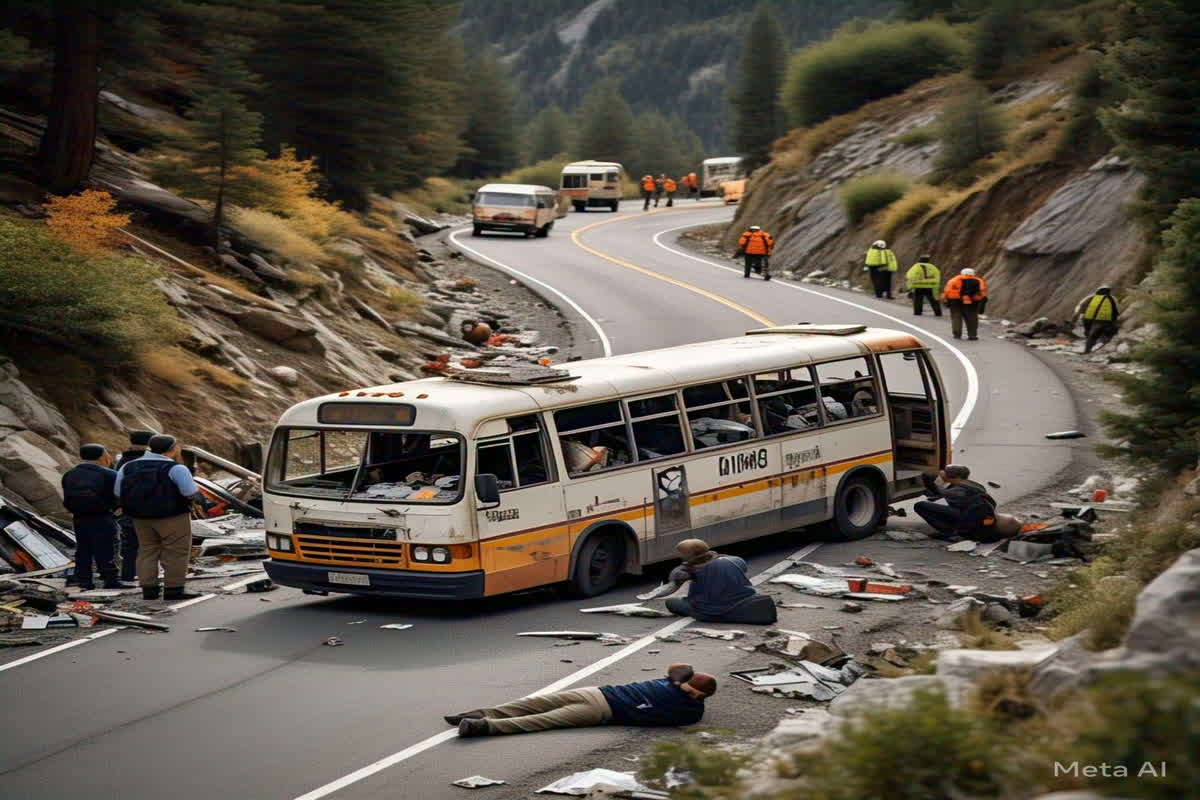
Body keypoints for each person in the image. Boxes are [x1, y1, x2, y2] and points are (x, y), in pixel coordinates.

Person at [448, 662, 716, 737]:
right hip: (598, 696)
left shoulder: (689, 709)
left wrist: (683, 687)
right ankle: (478, 715)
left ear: (701, 697)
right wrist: (682, 683)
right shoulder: (679, 680)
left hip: (600, 706)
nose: (685, 691)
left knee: (541, 718)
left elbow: (663, 720)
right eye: (686, 686)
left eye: (692, 692)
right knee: (533, 705)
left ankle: (482, 725)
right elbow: (678, 667)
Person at [115, 434, 202, 600]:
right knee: (176, 552)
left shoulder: (128, 467)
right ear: (173, 448)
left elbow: (118, 493)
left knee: (147, 551)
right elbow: (189, 492)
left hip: (140, 518)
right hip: (173, 517)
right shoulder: (177, 468)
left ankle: (149, 590)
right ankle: (174, 589)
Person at [646, 538, 777, 623]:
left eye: (682, 554)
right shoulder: (735, 560)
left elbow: (671, 587)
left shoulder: (686, 571)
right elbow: (742, 568)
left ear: (688, 555)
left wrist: (653, 595)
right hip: (744, 601)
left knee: (672, 603)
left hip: (709, 609)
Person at [61, 444, 127, 590]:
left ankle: (85, 580)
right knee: (106, 548)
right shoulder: (109, 474)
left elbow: (66, 499)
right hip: (103, 516)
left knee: (83, 549)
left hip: (79, 517)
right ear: (103, 456)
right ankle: (110, 579)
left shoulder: (70, 474)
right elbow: (119, 496)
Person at [914, 465, 1003, 542]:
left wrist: (929, 480)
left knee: (920, 505)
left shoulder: (959, 489)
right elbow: (935, 497)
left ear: (952, 476)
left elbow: (938, 493)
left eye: (945, 472)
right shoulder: (972, 484)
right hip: (977, 517)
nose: (942, 473)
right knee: (939, 507)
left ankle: (950, 533)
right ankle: (957, 528)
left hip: (972, 518)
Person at [113, 429, 154, 582]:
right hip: (151, 510)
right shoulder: (151, 461)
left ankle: (128, 575)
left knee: (130, 545)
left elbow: (116, 488)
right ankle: (148, 576)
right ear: (149, 443)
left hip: (128, 510)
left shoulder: (122, 462)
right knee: (151, 544)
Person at [942, 267, 988, 340]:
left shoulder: (954, 280)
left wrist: (945, 301)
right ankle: (972, 335)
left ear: (962, 273)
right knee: (972, 318)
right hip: (972, 302)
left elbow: (947, 291)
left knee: (956, 317)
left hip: (955, 302)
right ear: (973, 273)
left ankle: (957, 334)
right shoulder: (979, 280)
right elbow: (982, 293)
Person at [1073, 285, 1119, 354]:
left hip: (1088, 319)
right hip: (1104, 320)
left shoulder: (1091, 297)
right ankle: (1101, 341)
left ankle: (1087, 350)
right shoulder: (1113, 298)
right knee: (1102, 332)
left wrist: (1076, 316)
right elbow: (1116, 310)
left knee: (1090, 334)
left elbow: (1081, 306)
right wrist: (1114, 320)